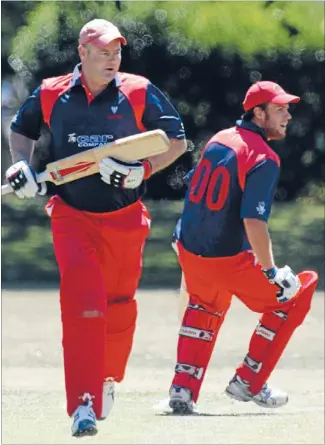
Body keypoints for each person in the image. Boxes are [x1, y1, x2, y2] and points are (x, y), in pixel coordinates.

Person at [6, 19, 187, 436]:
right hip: (72, 216)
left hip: (125, 219)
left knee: (119, 307)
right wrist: (20, 166)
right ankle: (82, 404)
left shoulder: (139, 90)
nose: (112, 59)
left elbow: (176, 141)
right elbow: (21, 132)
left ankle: (107, 379)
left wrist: (141, 171)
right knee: (83, 304)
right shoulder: (52, 92)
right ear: (82, 53)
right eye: (103, 52)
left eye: (117, 52)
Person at [167, 81, 318, 414]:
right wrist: (272, 271)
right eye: (280, 109)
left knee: (205, 306)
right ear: (258, 112)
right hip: (225, 259)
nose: (288, 116)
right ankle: (249, 380)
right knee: (297, 292)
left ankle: (182, 390)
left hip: (190, 251)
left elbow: (193, 187)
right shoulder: (265, 157)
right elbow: (254, 221)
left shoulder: (219, 138)